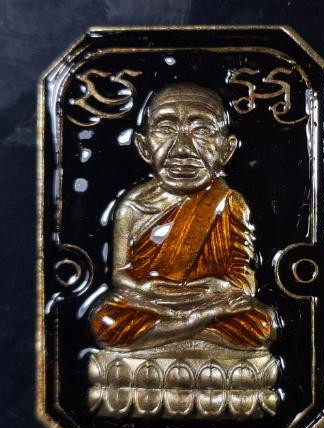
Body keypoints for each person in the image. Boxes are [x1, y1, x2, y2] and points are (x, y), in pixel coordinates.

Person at [90, 83, 276, 351]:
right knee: (107, 321)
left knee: (261, 325)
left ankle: (176, 330)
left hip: (209, 299)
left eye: (202, 130)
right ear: (144, 146)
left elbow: (244, 281)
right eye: (166, 129)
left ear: (227, 149)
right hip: (153, 303)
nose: (182, 149)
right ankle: (197, 326)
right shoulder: (133, 205)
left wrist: (216, 288)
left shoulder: (227, 201)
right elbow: (121, 277)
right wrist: (148, 290)